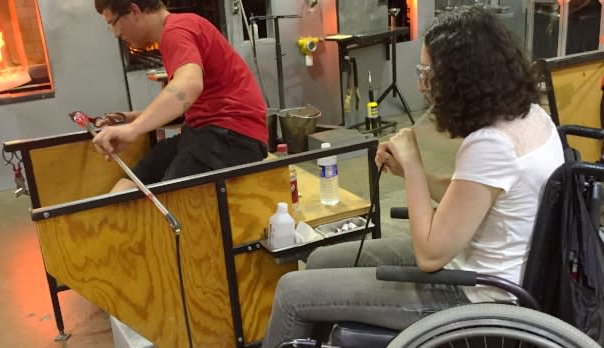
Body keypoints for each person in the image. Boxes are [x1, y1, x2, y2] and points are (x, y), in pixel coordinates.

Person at [262, 6, 565, 347]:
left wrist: (414, 168)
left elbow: (430, 255)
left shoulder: (492, 144)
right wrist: (409, 169)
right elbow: (467, 195)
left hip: (478, 297)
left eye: (426, 72)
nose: (421, 84)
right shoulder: (530, 117)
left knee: (291, 291)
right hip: (475, 265)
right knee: (321, 259)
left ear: (461, 77)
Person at [93, 0, 268, 191]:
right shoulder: (178, 28)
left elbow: (189, 85)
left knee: (172, 201)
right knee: (132, 182)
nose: (116, 33)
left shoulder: (176, 31)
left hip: (231, 137)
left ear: (134, 11)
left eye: (113, 23)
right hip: (207, 133)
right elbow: (186, 106)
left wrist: (133, 129)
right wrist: (128, 119)